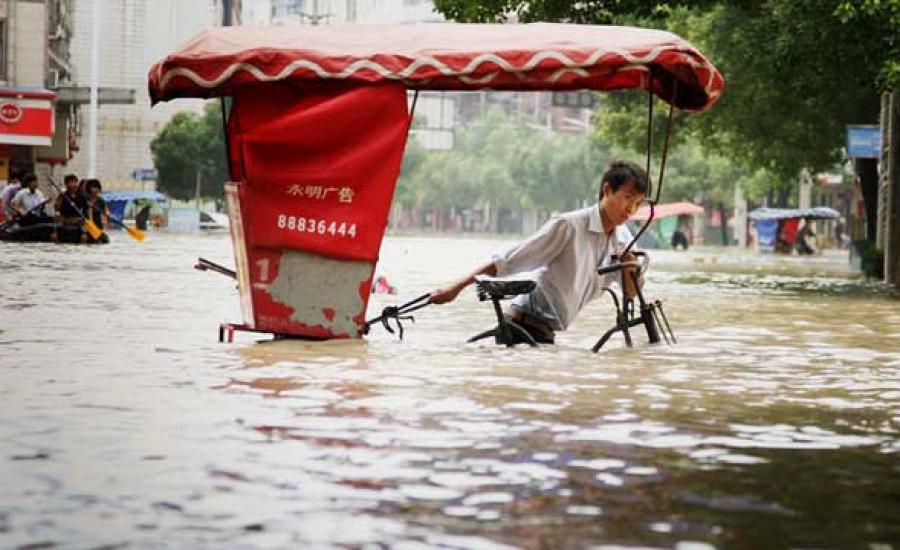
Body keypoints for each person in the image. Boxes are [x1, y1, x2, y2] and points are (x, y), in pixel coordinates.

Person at [430, 159, 648, 345]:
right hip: (522, 327)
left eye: (638, 203)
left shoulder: (624, 239)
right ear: (607, 190)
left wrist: (631, 267)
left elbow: (630, 293)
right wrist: (455, 287)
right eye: (628, 198)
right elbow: (509, 261)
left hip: (546, 335)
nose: (631, 209)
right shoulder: (569, 226)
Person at [53, 173, 87, 243]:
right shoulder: (62, 195)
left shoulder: (82, 195)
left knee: (84, 237)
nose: (72, 184)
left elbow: (86, 208)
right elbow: (57, 208)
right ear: (66, 184)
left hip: (79, 220)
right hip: (65, 219)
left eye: (74, 182)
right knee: (54, 236)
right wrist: (60, 199)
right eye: (70, 182)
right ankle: (57, 234)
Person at [84, 178, 110, 244]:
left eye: (96, 187)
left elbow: (106, 211)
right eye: (92, 187)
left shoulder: (101, 201)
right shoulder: (85, 199)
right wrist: (91, 223)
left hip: (98, 226)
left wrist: (107, 215)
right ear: (89, 189)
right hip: (87, 226)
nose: (94, 189)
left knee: (104, 240)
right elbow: (89, 213)